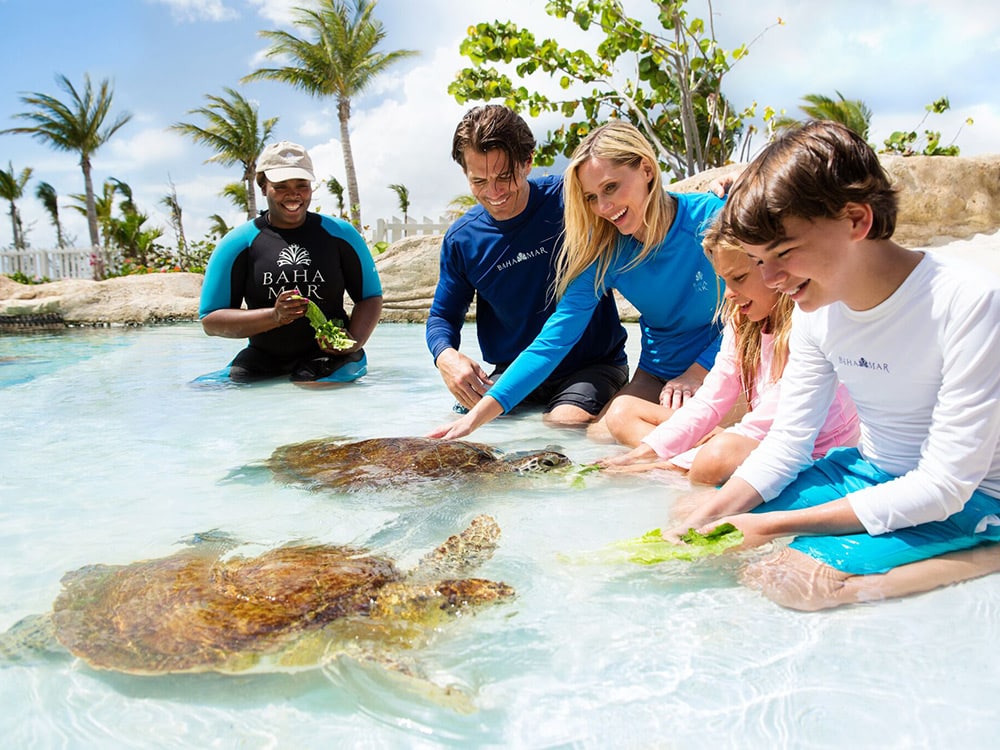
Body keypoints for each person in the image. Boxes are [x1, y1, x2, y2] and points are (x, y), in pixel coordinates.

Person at [667, 120, 1000, 610]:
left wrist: (775, 524)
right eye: (759, 261)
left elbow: (944, 485)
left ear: (856, 221)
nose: (772, 278)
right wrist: (715, 513)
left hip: (972, 496)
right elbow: (787, 443)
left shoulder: (967, 301)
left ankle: (988, 556)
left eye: (783, 253)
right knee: (694, 516)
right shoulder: (816, 309)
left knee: (797, 583)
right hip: (867, 470)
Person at [429, 120, 726, 441]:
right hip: (661, 368)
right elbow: (552, 342)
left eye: (611, 188)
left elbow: (764, 312)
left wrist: (699, 372)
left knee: (604, 424)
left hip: (720, 359)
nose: (603, 207)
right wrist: (471, 422)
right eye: (591, 198)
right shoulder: (606, 252)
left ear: (647, 170)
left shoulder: (713, 219)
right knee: (599, 438)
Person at [597, 225, 860, 486]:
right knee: (623, 411)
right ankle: (693, 459)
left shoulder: (809, 323)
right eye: (724, 280)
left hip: (814, 453)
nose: (730, 293)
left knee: (716, 457)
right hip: (759, 436)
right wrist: (641, 454)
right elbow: (710, 400)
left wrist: (661, 467)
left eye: (740, 278)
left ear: (774, 267)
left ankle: (691, 466)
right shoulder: (741, 321)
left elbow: (773, 425)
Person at [426, 105, 629, 425]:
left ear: (527, 161)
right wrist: (445, 356)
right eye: (479, 180)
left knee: (564, 425)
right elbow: (442, 316)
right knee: (468, 425)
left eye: (504, 177)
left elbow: (638, 198)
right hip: (515, 372)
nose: (493, 192)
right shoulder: (462, 241)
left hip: (591, 366)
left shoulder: (573, 199)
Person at [199, 141, 383, 385]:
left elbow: (370, 296)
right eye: (281, 186)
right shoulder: (238, 243)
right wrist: (274, 316)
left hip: (330, 357)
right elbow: (211, 321)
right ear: (263, 187)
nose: (293, 194)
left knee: (310, 386)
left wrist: (352, 341)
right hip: (265, 355)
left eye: (301, 185)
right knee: (210, 389)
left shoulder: (340, 234)